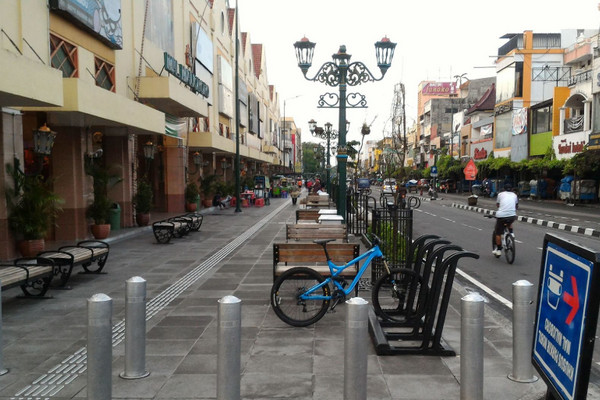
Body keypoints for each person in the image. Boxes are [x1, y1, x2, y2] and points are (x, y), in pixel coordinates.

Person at [493, 183, 518, 257]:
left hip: (501, 216)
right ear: (512, 189)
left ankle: (499, 249)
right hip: (512, 215)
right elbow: (516, 206)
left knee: (498, 233)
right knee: (509, 221)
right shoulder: (515, 195)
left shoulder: (500, 194)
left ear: (504, 189)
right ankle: (511, 233)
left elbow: (498, 205)